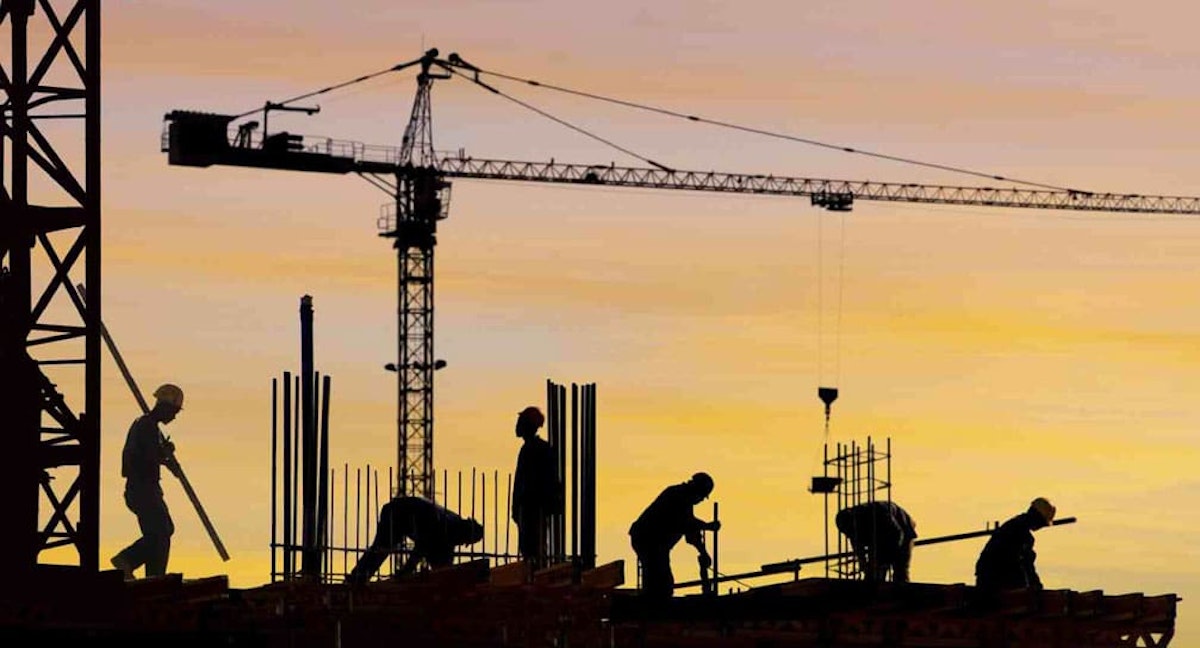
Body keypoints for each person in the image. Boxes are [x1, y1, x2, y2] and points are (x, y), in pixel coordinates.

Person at [110, 384, 185, 579]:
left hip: (145, 488)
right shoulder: (146, 426)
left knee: (160, 533)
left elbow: (152, 454)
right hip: (142, 488)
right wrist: (166, 456)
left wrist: (165, 453)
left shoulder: (148, 427)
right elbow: (149, 457)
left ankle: (154, 576)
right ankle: (127, 560)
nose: (174, 416)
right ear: (165, 407)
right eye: (174, 411)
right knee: (161, 532)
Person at [346, 496, 484, 585]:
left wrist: (445, 574)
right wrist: (407, 571)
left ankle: (358, 577)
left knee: (439, 559)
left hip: (409, 515)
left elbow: (443, 559)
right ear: (464, 534)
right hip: (397, 513)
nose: (462, 544)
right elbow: (421, 549)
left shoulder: (451, 527)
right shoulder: (442, 526)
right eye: (465, 541)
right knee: (383, 547)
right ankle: (358, 578)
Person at [629, 472, 721, 600]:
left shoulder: (685, 501)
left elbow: (692, 534)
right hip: (648, 540)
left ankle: (653, 601)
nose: (700, 501)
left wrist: (703, 552)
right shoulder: (676, 496)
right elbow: (685, 523)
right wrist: (707, 526)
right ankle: (652, 606)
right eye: (701, 497)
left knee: (660, 580)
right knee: (659, 579)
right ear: (696, 490)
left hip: (655, 543)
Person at [511, 406, 560, 568]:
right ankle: (533, 572)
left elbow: (548, 480)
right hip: (528, 508)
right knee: (529, 550)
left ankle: (536, 575)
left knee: (534, 550)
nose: (517, 425)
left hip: (534, 508)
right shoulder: (530, 449)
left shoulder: (539, 449)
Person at [974, 497, 1057, 593]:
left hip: (986, 577)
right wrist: (1036, 586)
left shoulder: (1013, 525)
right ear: (1037, 518)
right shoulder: (1022, 533)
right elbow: (1026, 564)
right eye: (1042, 523)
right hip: (995, 579)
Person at [835, 500, 918, 583]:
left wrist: (889, 556)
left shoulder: (879, 514)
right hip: (879, 538)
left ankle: (901, 593)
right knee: (874, 573)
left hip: (904, 530)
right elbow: (858, 547)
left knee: (900, 571)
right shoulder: (852, 526)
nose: (847, 535)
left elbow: (898, 534)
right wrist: (863, 563)